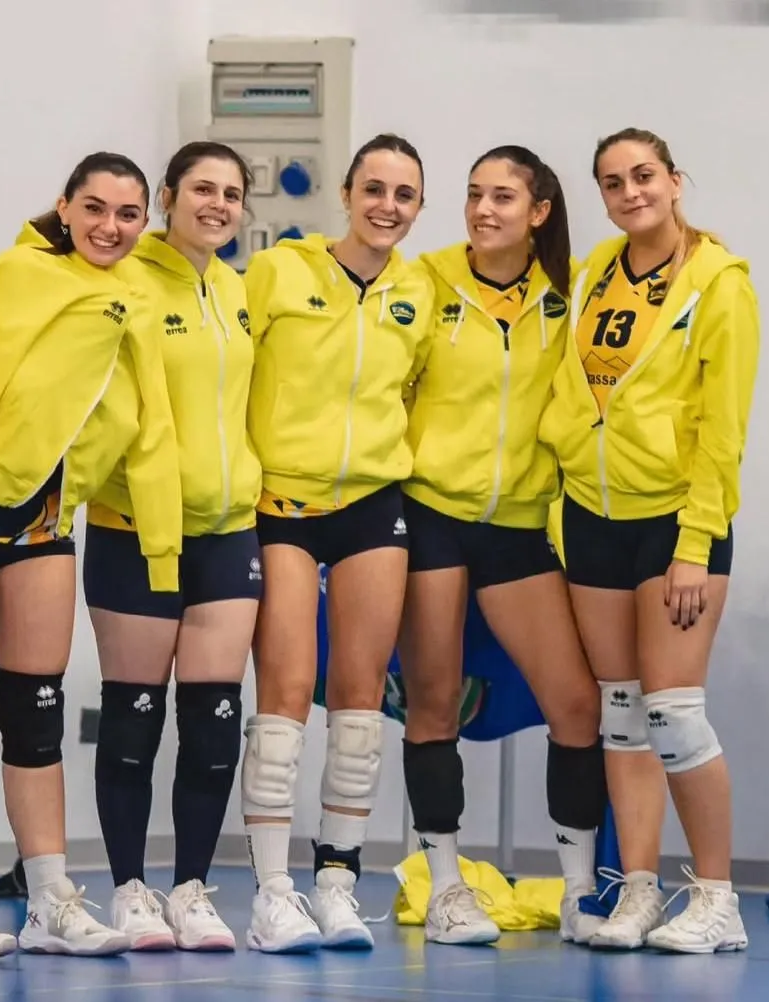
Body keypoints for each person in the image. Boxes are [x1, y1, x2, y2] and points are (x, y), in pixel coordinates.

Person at [0, 152, 183, 960]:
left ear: (145, 222)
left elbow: (149, 424)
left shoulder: (137, 298)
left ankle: (49, 896)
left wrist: (162, 547)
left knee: (36, 712)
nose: (109, 227)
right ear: (64, 206)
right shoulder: (12, 276)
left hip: (47, 522)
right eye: (94, 208)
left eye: (127, 215)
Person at [539, 127, 759, 953]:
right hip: (592, 516)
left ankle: (718, 900)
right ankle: (637, 891)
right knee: (623, 713)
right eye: (612, 182)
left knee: (674, 713)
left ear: (674, 180)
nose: (630, 193)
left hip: (674, 522)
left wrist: (696, 542)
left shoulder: (719, 283)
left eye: (643, 176)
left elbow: (723, 429)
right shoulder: (596, 271)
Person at [400, 146, 606, 947]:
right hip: (430, 514)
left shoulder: (570, 293)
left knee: (577, 705)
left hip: (519, 522)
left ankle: (581, 891)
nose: (484, 210)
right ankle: (447, 887)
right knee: (433, 702)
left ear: (539, 211)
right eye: (474, 194)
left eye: (503, 197)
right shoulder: (428, 280)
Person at [239, 133, 436, 954]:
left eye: (404, 194)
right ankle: (272, 893)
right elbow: (230, 370)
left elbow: (416, 390)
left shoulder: (419, 291)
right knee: (286, 691)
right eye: (374, 189)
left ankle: (337, 883)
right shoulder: (278, 271)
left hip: (372, 503)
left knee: (360, 700)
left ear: (417, 207)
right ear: (347, 194)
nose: (387, 206)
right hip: (282, 502)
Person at [83, 141, 262, 953]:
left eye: (231, 193)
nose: (217, 204)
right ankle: (129, 889)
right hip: (137, 531)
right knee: (132, 720)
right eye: (202, 188)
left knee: (215, 723)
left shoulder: (236, 289)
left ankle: (191, 889)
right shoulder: (126, 280)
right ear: (167, 196)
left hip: (229, 528)